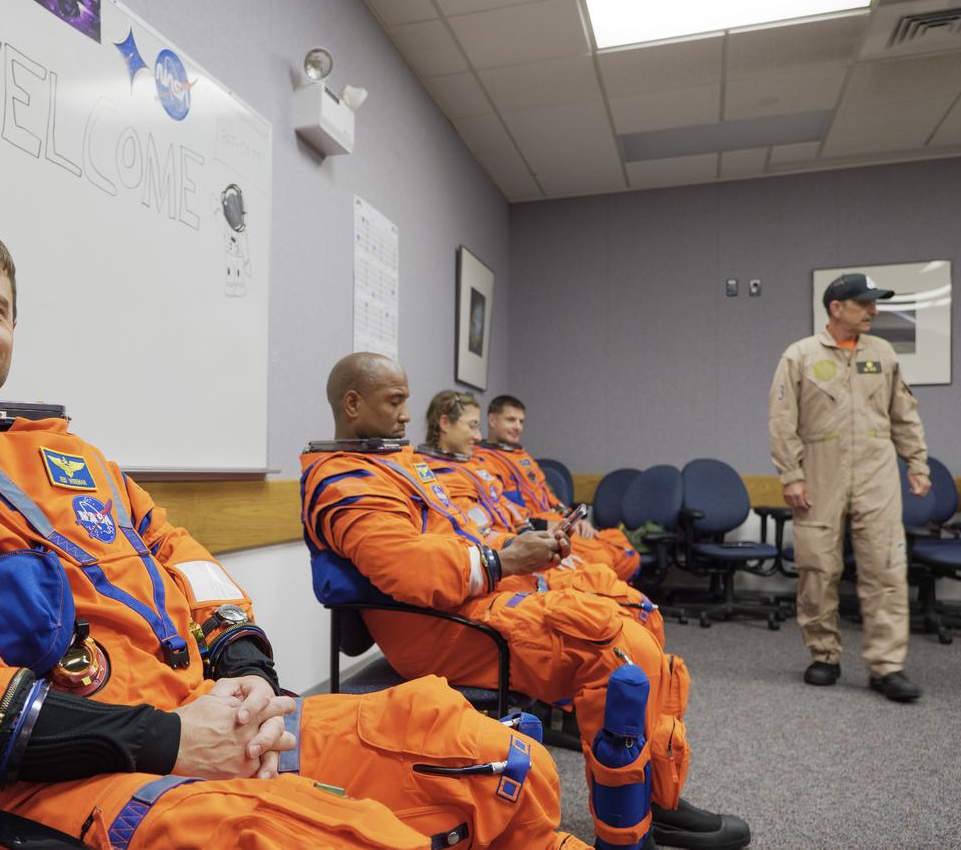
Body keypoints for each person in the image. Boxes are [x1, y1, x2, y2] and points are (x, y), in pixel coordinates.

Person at [0, 218, 588, 849]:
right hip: (40, 791)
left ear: (13, 328)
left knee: (491, 758)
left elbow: (192, 569)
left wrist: (248, 675)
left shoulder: (75, 460)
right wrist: (174, 741)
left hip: (196, 726)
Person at [302, 352, 752, 850]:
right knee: (616, 648)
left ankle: (657, 796)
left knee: (635, 611)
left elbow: (463, 531)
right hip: (436, 623)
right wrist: (505, 562)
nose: (409, 414)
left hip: (474, 595)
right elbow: (409, 570)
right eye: (396, 401)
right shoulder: (343, 480)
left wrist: (518, 554)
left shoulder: (391, 465)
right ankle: (628, 832)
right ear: (351, 403)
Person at [768, 272, 930, 702]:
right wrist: (792, 474)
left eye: (874, 303)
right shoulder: (799, 356)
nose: (873, 311)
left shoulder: (884, 353)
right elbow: (782, 423)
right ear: (836, 308)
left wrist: (917, 463)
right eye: (864, 303)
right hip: (821, 471)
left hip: (876, 471)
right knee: (817, 566)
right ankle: (824, 655)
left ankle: (886, 667)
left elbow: (904, 414)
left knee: (886, 568)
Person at [414, 389, 663, 645]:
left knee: (618, 579)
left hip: (519, 545)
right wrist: (524, 548)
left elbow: (510, 512)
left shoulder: (474, 466)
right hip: (504, 560)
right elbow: (471, 534)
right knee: (608, 593)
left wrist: (533, 536)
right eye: (472, 426)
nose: (478, 436)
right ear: (445, 423)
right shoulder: (434, 473)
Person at [474, 396, 641, 583]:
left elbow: (549, 497)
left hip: (558, 520)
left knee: (627, 553)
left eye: (521, 421)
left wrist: (575, 519)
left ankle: (616, 596)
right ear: (492, 420)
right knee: (601, 562)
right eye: (511, 420)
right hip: (536, 529)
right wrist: (546, 526)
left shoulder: (523, 457)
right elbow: (503, 513)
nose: (518, 427)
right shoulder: (481, 462)